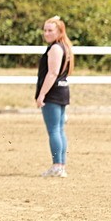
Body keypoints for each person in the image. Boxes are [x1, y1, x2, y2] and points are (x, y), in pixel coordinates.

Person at [35, 15, 73, 177]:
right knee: (59, 129)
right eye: (45, 30)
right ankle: (60, 165)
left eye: (50, 30)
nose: (47, 33)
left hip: (53, 94)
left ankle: (57, 165)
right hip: (62, 91)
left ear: (59, 31)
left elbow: (52, 73)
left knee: (54, 130)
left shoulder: (55, 49)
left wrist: (41, 94)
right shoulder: (64, 47)